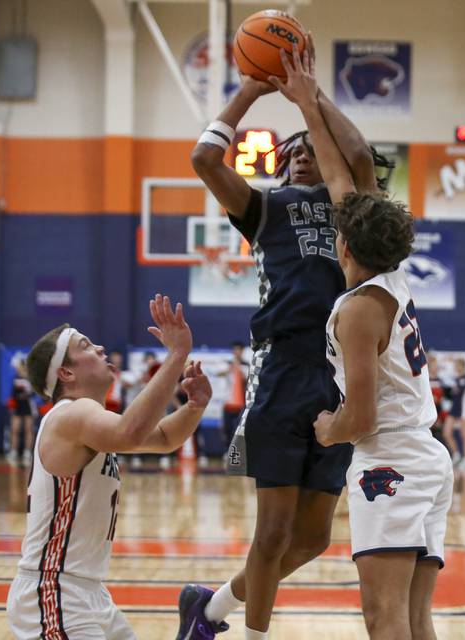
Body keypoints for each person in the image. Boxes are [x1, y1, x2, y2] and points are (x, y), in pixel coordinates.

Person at [177, 38, 376, 640]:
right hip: (286, 366)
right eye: (288, 151)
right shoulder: (266, 208)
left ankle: (208, 611)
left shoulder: (351, 210)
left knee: (314, 537)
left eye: (308, 147)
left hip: (339, 374)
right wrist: (252, 89)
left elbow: (362, 155)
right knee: (272, 533)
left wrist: (311, 97)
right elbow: (205, 161)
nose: (297, 155)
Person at [6, 294, 211, 640]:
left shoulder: (89, 421)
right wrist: (176, 357)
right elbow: (130, 433)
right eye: (86, 346)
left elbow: (161, 439)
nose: (100, 348)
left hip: (88, 593)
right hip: (54, 589)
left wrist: (194, 407)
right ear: (66, 372)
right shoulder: (70, 414)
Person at [315, 188, 454, 639]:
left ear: (345, 247)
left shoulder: (357, 310)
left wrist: (327, 430)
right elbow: (348, 185)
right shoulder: (395, 279)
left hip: (390, 461)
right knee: (414, 618)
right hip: (426, 457)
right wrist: (315, 112)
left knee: (384, 614)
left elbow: (360, 419)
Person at [218, 341, 248, 469]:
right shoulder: (227, 364)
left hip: (241, 404)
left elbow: (246, 379)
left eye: (239, 350)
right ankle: (226, 452)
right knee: (227, 429)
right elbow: (219, 374)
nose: (237, 352)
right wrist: (230, 369)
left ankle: (237, 454)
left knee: (238, 430)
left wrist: (238, 368)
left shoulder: (246, 365)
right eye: (235, 350)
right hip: (228, 403)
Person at [441, 358, 465, 470]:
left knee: (464, 434)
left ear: (463, 366)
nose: (457, 367)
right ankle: (456, 454)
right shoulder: (454, 380)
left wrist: (453, 387)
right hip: (454, 408)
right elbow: (450, 394)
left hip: (464, 409)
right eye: (456, 365)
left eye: (459, 365)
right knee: (446, 432)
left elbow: (462, 390)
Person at [6, 359, 37, 467]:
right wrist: (12, 403)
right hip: (18, 407)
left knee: (29, 429)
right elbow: (13, 393)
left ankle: (27, 452)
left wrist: (26, 395)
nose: (18, 367)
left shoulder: (30, 378)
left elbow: (33, 392)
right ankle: (13, 451)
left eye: (20, 366)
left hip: (28, 406)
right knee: (15, 429)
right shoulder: (15, 378)